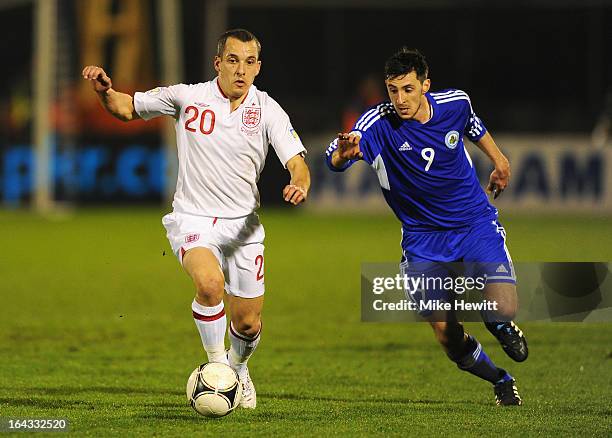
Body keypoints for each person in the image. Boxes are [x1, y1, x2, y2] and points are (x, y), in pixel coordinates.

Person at [82, 29, 310, 409]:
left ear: (258, 67)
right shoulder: (187, 97)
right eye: (233, 60)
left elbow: (297, 162)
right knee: (209, 284)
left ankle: (239, 368)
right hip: (193, 219)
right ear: (217, 63)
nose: (241, 70)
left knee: (248, 323)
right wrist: (105, 90)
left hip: (244, 227)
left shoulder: (267, 108)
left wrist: (299, 184)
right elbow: (125, 107)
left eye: (249, 62)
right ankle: (218, 370)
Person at [325, 48, 527, 406]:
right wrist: (344, 152)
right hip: (422, 241)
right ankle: (500, 379)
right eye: (392, 90)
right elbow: (337, 157)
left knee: (504, 308)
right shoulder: (377, 123)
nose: (400, 99)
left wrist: (499, 160)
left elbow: (473, 125)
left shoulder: (454, 104)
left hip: (473, 223)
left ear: (425, 85)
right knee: (446, 335)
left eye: (407, 89)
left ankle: (498, 323)